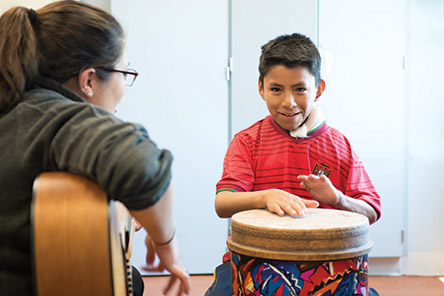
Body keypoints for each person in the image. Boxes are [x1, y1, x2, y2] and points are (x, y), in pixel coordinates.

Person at [0, 1, 190, 295]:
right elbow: (145, 166)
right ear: (88, 80)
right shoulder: (55, 118)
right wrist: (166, 242)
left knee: (133, 279)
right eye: (125, 74)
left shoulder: (16, 106)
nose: (125, 88)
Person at [206, 33, 381, 296]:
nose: (288, 102)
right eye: (276, 89)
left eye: (300, 89)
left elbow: (371, 211)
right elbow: (223, 204)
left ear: (318, 89)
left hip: (326, 264)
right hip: (255, 260)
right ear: (261, 88)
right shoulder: (247, 142)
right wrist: (266, 196)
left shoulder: (339, 144)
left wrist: (337, 198)